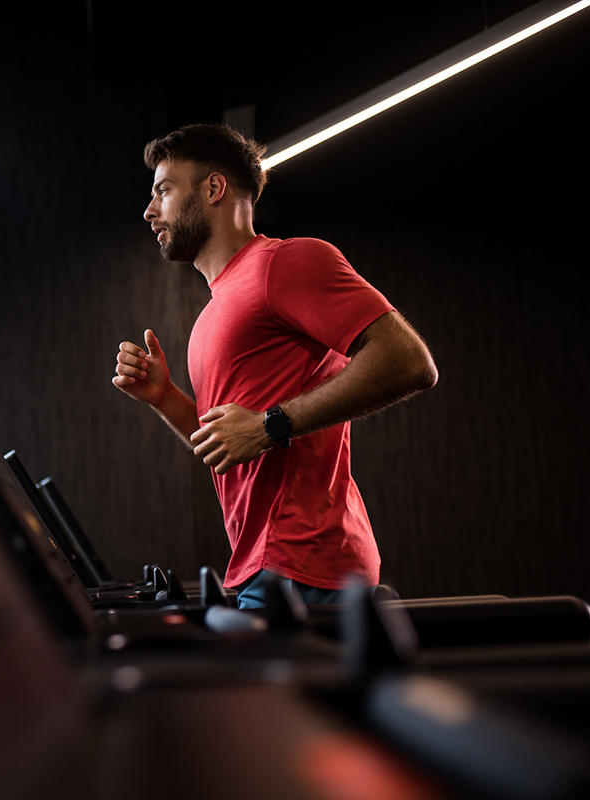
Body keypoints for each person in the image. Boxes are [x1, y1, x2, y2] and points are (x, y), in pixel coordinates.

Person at [112, 123, 437, 609]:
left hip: (302, 560)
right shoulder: (211, 316)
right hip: (261, 564)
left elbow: (410, 362)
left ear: (214, 188)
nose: (149, 210)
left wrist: (271, 424)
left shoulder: (285, 263)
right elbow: (230, 446)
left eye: (163, 190)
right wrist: (166, 399)